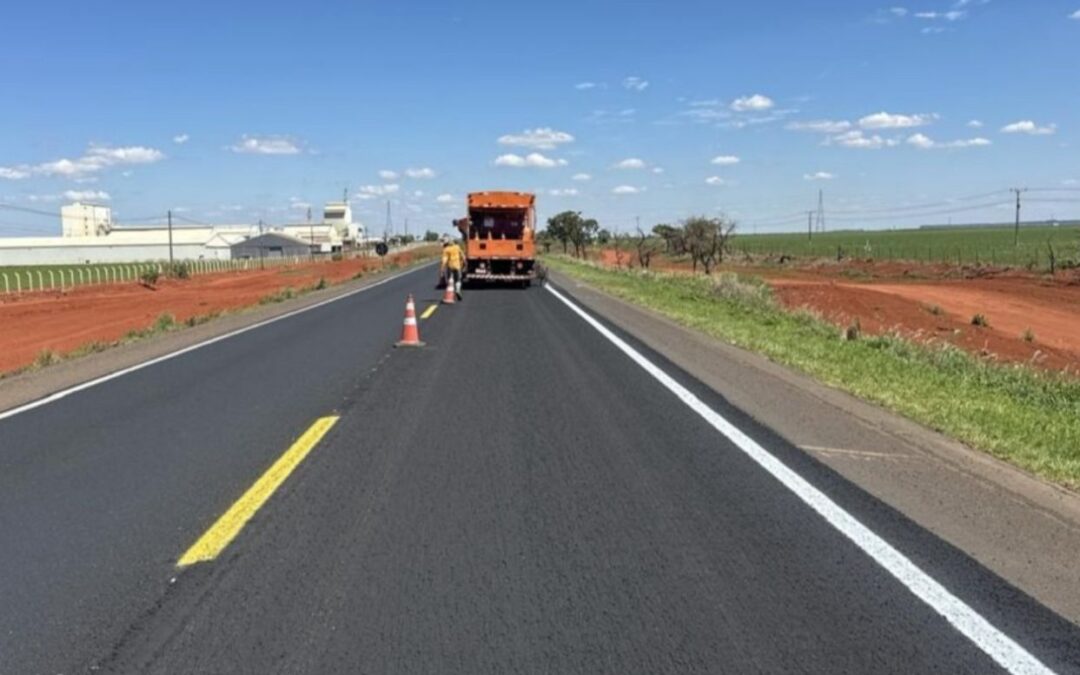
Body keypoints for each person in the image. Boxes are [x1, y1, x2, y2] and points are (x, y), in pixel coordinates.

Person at [440, 235, 464, 300]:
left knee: (450, 280)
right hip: (457, 266)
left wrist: (442, 269)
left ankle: (451, 293)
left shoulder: (446, 250)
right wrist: (464, 262)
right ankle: (458, 290)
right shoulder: (457, 247)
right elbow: (462, 255)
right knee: (458, 280)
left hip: (450, 266)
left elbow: (444, 260)